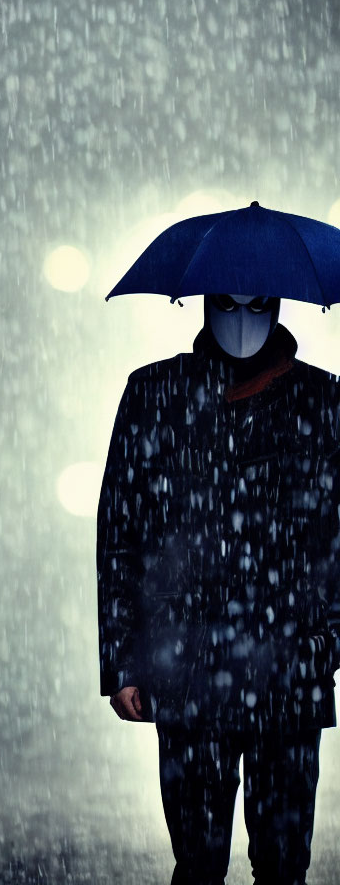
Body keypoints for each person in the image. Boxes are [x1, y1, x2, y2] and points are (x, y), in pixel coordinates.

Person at [97, 293, 340, 885]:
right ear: (204, 304)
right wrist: (122, 660)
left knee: (283, 864)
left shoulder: (322, 398)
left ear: (277, 305)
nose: (240, 319)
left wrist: (325, 640)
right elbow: (120, 533)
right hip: (190, 665)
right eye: (227, 304)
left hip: (284, 666)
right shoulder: (156, 393)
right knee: (198, 861)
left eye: (256, 305)